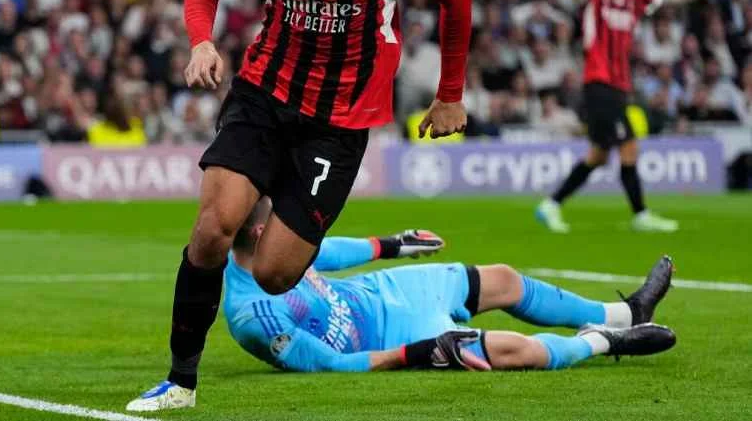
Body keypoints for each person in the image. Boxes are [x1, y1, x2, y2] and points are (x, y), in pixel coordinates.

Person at [128, 0, 473, 412]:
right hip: (264, 91)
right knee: (211, 232)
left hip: (340, 118)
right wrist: (202, 40)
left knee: (273, 274)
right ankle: (180, 380)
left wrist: (450, 94)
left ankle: (353, 263)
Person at [224, 199, 675, 374]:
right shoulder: (255, 318)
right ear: (263, 235)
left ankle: (626, 313)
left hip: (382, 292)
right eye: (279, 217)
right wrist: (417, 353)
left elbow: (325, 250)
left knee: (502, 279)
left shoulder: (279, 248)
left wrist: (389, 245)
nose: (293, 222)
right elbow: (327, 366)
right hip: (394, 339)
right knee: (520, 351)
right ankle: (604, 341)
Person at [533, 0, 731, 233]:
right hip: (599, 84)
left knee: (599, 155)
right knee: (629, 146)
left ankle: (550, 205)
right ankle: (640, 214)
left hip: (619, 86)